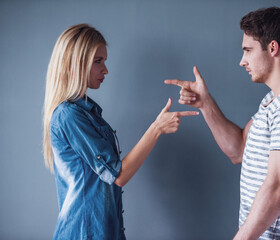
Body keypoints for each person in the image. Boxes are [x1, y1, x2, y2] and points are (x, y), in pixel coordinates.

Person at [165, 7, 280, 240]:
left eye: (248, 50)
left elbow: (279, 186)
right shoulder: (274, 100)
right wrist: (205, 103)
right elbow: (238, 150)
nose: (242, 61)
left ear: (272, 48)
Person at [42, 23, 198, 240]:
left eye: (104, 61)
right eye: (98, 61)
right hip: (83, 233)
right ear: (75, 63)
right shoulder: (69, 116)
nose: (105, 69)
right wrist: (156, 128)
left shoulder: (86, 113)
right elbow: (118, 175)